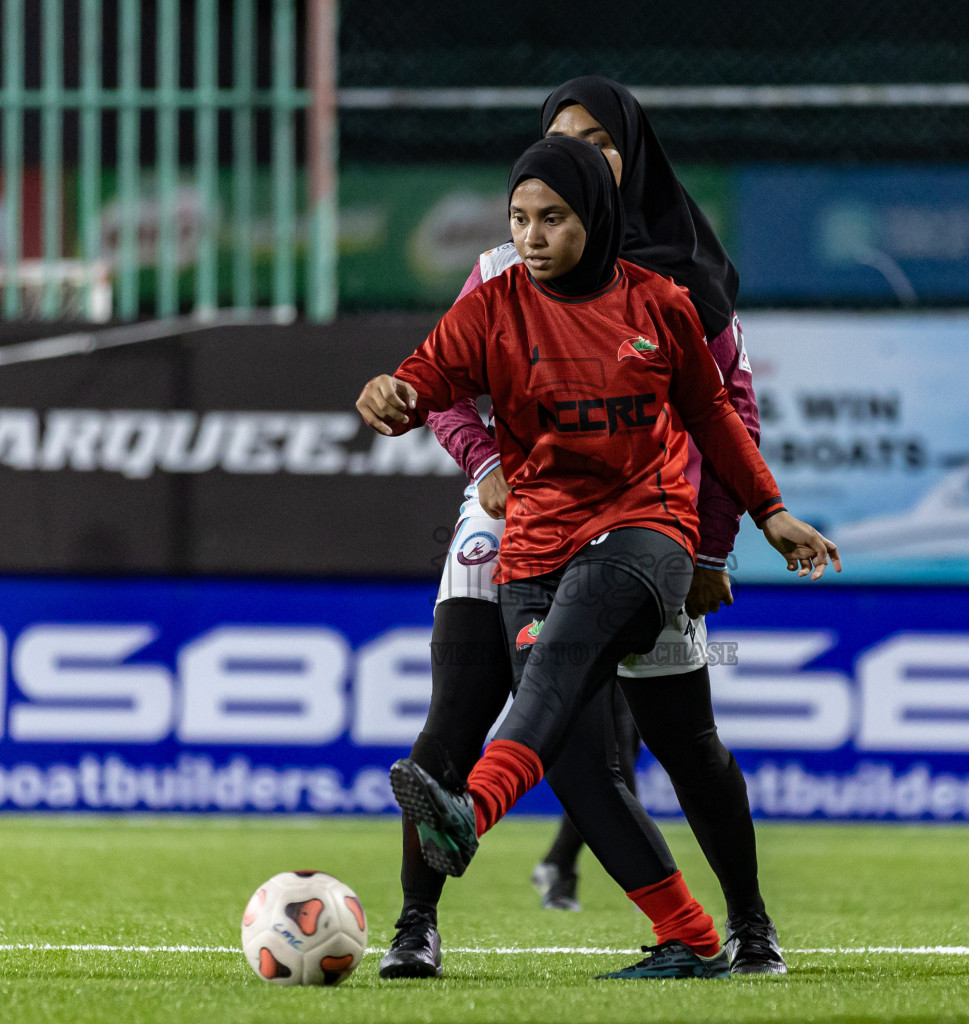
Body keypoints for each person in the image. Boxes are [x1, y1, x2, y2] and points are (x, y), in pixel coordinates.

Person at [358, 136, 838, 980]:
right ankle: (692, 938)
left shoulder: (660, 301)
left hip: (646, 532)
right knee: (580, 761)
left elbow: (717, 416)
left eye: (553, 218)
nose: (533, 236)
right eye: (519, 218)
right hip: (535, 547)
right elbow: (421, 384)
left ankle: (474, 811)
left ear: (599, 216)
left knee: (666, 732)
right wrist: (390, 399)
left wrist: (769, 512)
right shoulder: (492, 303)